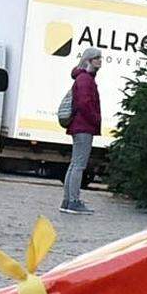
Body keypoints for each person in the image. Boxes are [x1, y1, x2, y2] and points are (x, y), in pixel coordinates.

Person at [58, 47, 103, 213]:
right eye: (96, 58)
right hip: (83, 126)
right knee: (79, 165)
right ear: (88, 60)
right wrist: (95, 118)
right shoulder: (86, 79)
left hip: (79, 125)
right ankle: (74, 201)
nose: (100, 61)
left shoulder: (82, 78)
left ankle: (67, 200)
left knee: (74, 164)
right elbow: (84, 103)